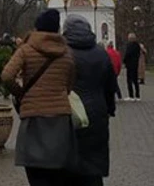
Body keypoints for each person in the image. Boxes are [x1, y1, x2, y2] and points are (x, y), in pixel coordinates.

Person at [1, 9, 76, 186]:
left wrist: (21, 93)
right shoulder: (67, 53)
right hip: (60, 118)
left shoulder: (26, 49)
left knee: (35, 171)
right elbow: (70, 84)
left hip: (33, 115)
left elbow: (6, 76)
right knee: (57, 171)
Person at [63, 15, 117, 186]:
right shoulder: (101, 53)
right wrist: (109, 108)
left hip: (70, 113)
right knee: (94, 162)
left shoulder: (63, 54)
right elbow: (111, 85)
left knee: (69, 160)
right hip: (97, 112)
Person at [122, 33, 141, 101]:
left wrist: (124, 61)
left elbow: (127, 54)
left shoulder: (129, 45)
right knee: (135, 80)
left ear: (130, 39)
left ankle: (131, 96)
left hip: (130, 65)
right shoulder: (137, 45)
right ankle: (138, 96)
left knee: (129, 80)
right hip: (135, 64)